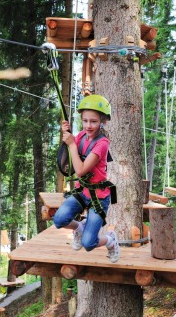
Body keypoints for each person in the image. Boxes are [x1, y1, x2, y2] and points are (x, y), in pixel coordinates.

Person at [53, 94, 120, 263]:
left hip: (99, 197)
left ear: (102, 121)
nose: (88, 125)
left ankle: (111, 240)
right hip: (82, 192)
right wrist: (67, 134)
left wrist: (71, 144)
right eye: (85, 121)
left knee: (89, 243)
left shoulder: (102, 144)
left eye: (94, 121)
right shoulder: (81, 136)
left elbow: (81, 170)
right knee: (59, 220)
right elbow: (71, 152)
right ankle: (80, 227)